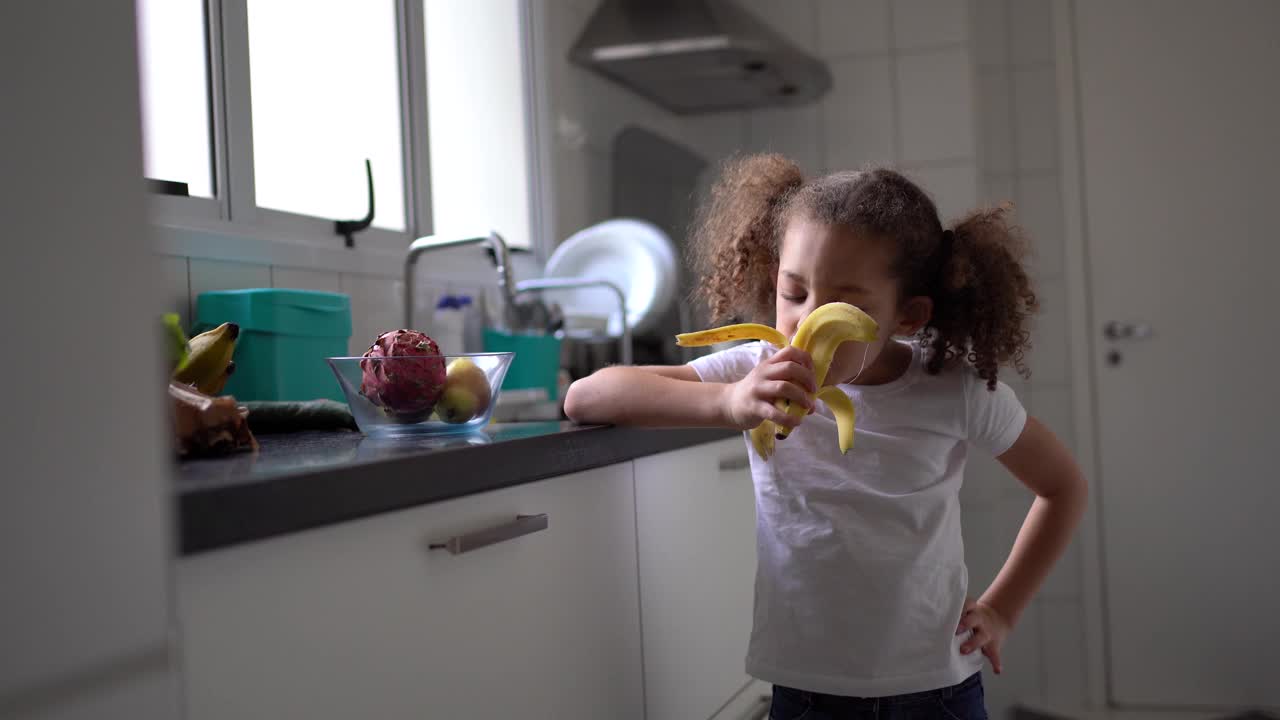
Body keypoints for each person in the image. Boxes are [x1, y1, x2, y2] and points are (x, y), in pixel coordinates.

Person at [564, 154, 1088, 719]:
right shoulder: (757, 371)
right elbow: (587, 396)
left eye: (844, 307)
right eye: (794, 293)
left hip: (936, 689)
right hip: (808, 692)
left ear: (907, 316)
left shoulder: (953, 392)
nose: (808, 319)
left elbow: (1063, 488)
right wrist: (726, 401)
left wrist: (1002, 609)